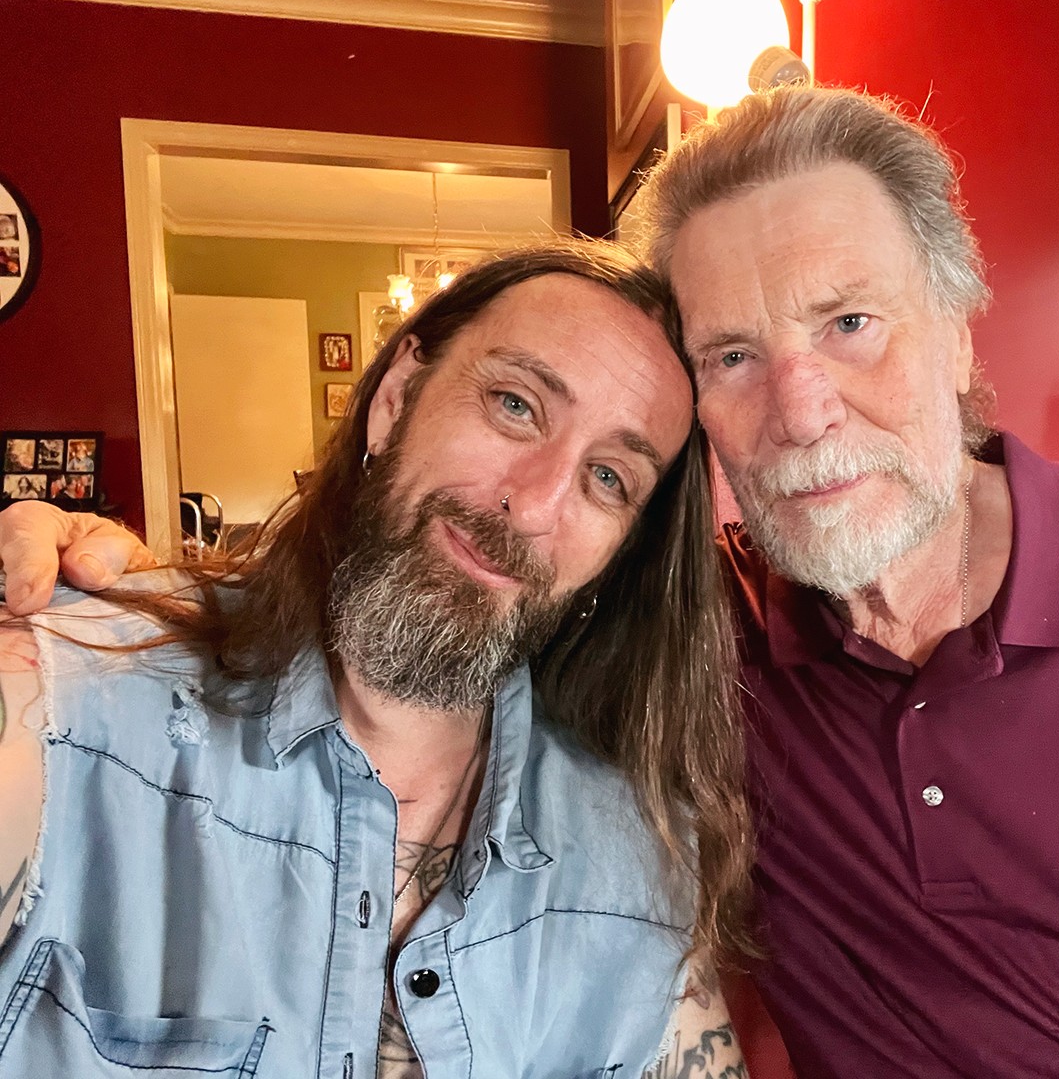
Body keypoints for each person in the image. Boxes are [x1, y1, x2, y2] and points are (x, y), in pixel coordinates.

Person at [8, 87, 1059, 1078]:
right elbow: (434, 600)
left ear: (956, 333)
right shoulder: (701, 657)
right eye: (734, 357)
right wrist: (116, 583)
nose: (801, 412)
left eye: (851, 322)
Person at [0, 241, 752, 1078]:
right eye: (515, 405)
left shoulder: (638, 859)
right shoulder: (71, 706)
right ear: (396, 399)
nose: (536, 504)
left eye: (608, 478)